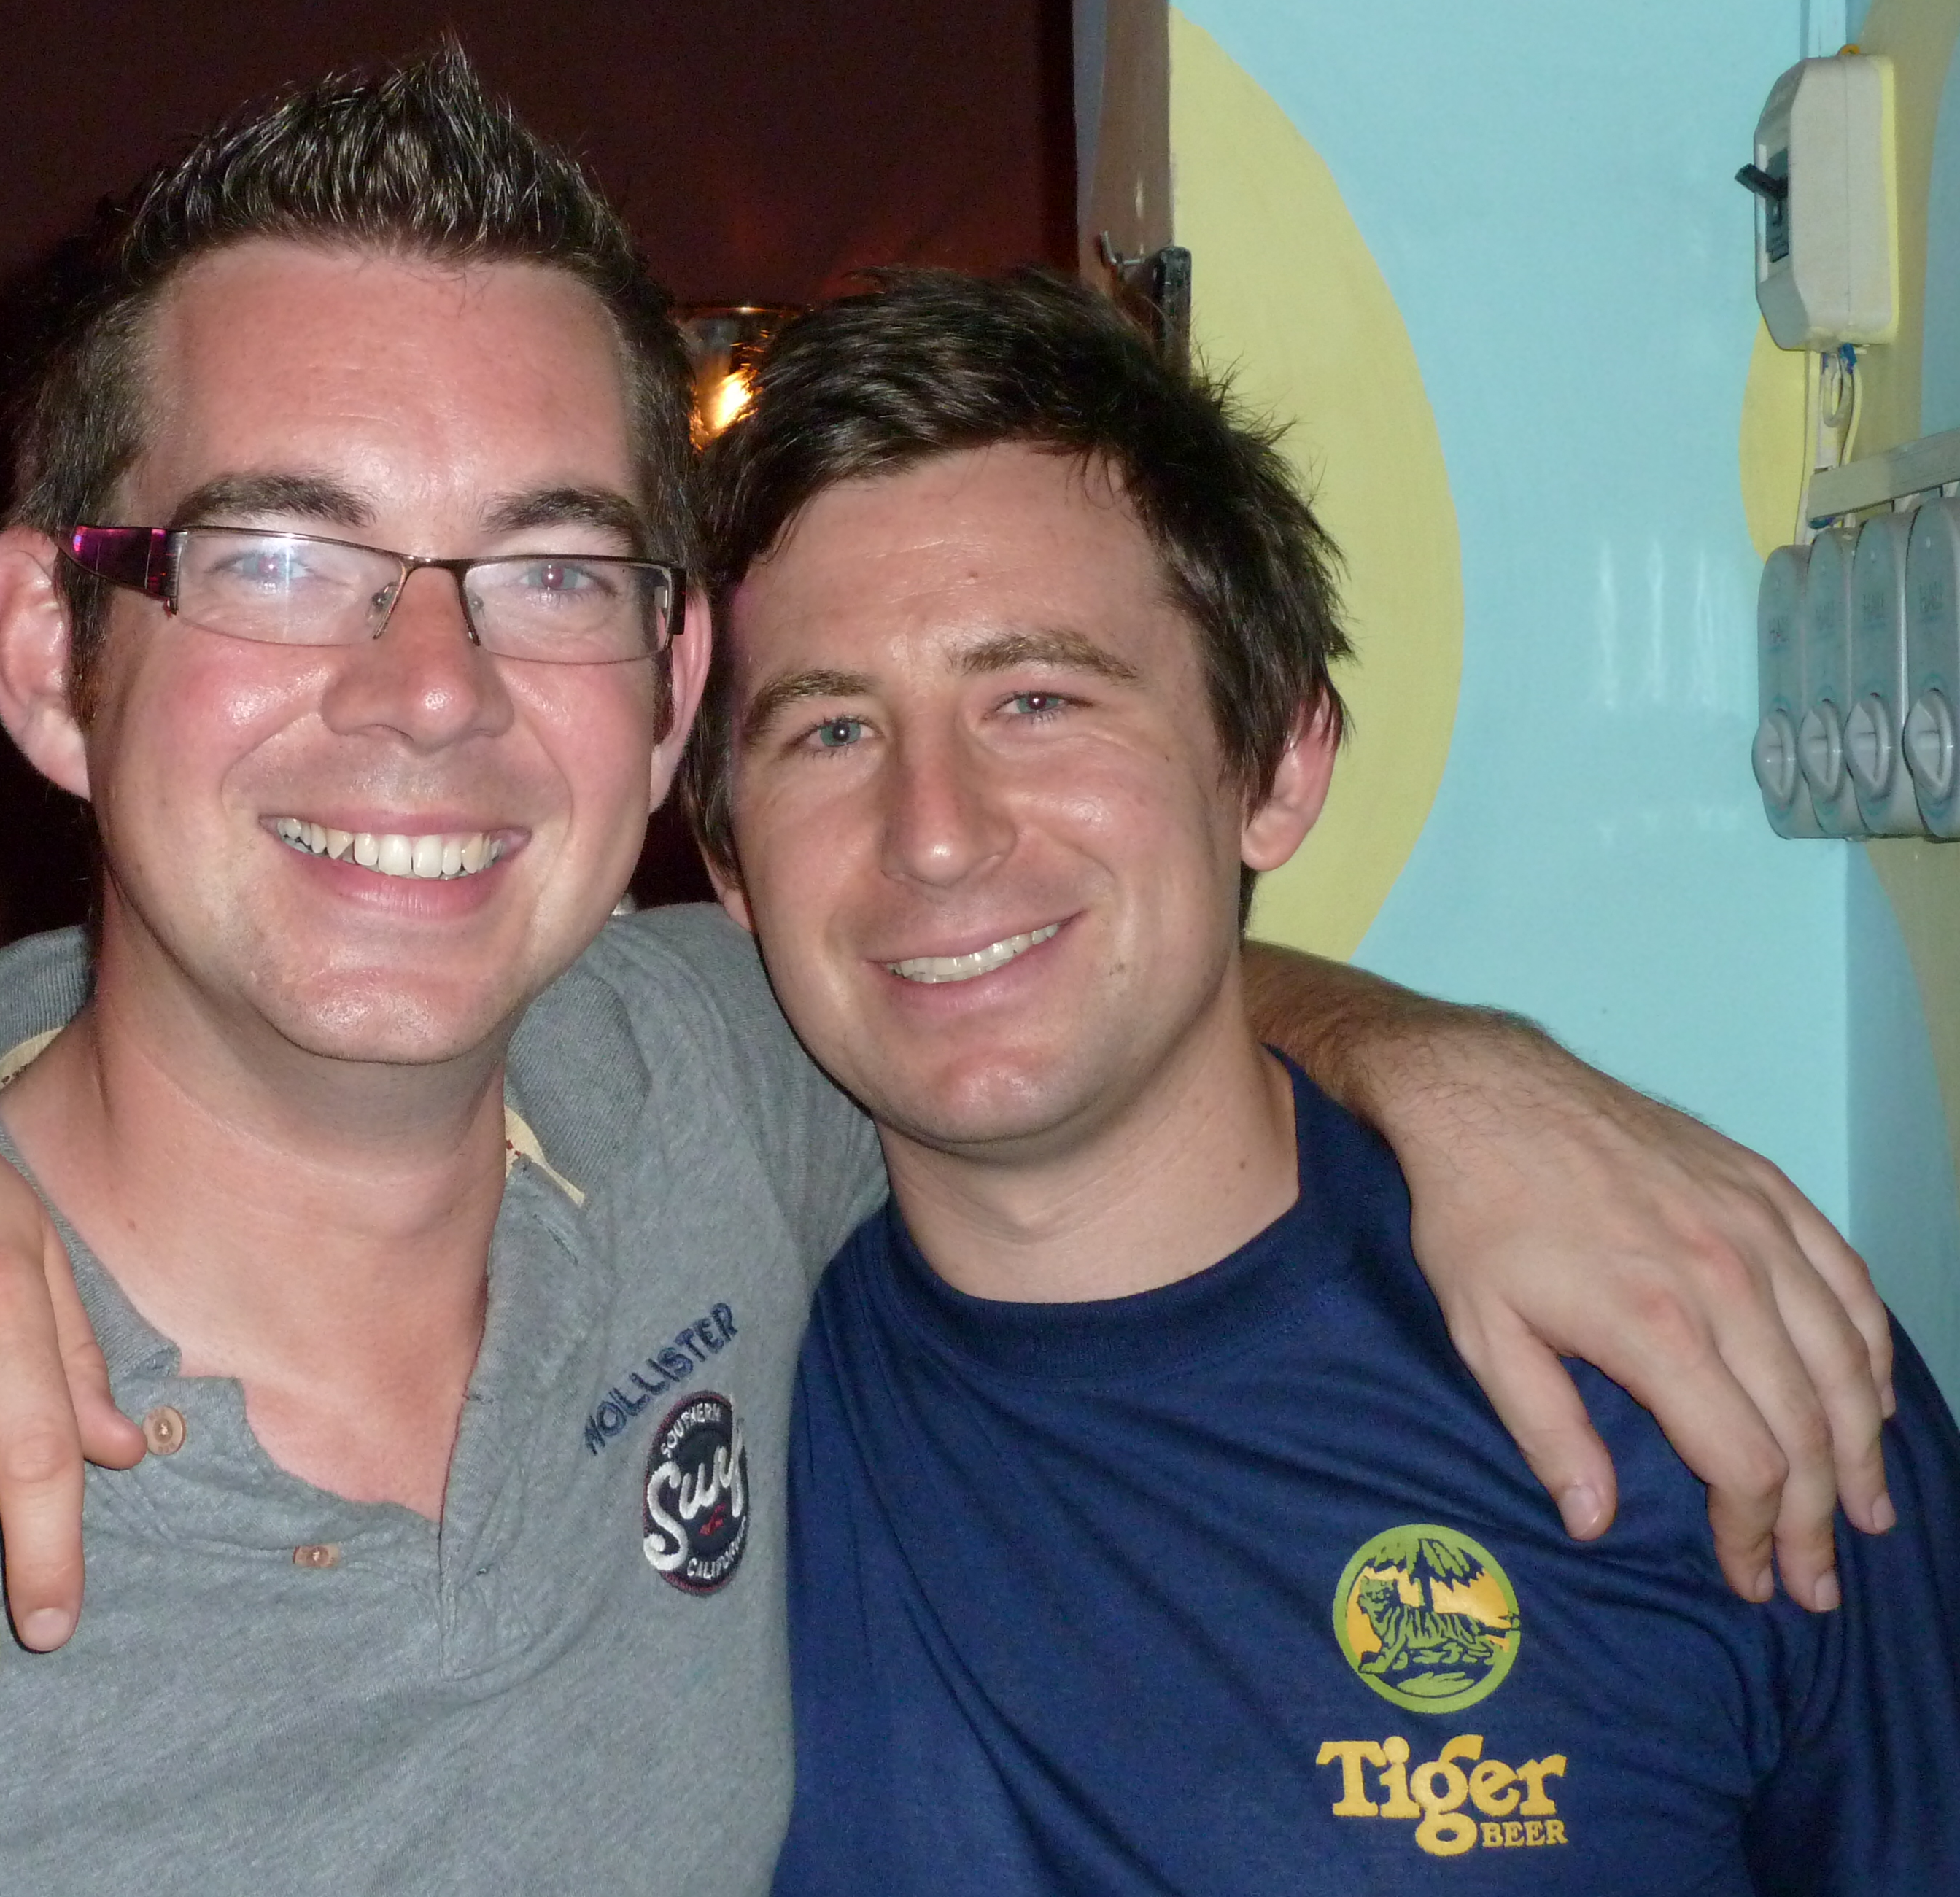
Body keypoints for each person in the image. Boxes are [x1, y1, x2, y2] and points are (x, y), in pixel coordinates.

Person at [0, 54, 1887, 1894]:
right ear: (53, 656)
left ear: (655, 698)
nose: (425, 686)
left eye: (542, 571)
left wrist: (1469, 1069)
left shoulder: (720, 1090)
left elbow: (1046, 963)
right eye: (278, 555)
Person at [667, 270, 1959, 1890]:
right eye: (831, 734)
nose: (935, 833)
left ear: (1275, 765)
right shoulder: (687, 1387)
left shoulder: (1700, 1368)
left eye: (1038, 700)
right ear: (729, 858)